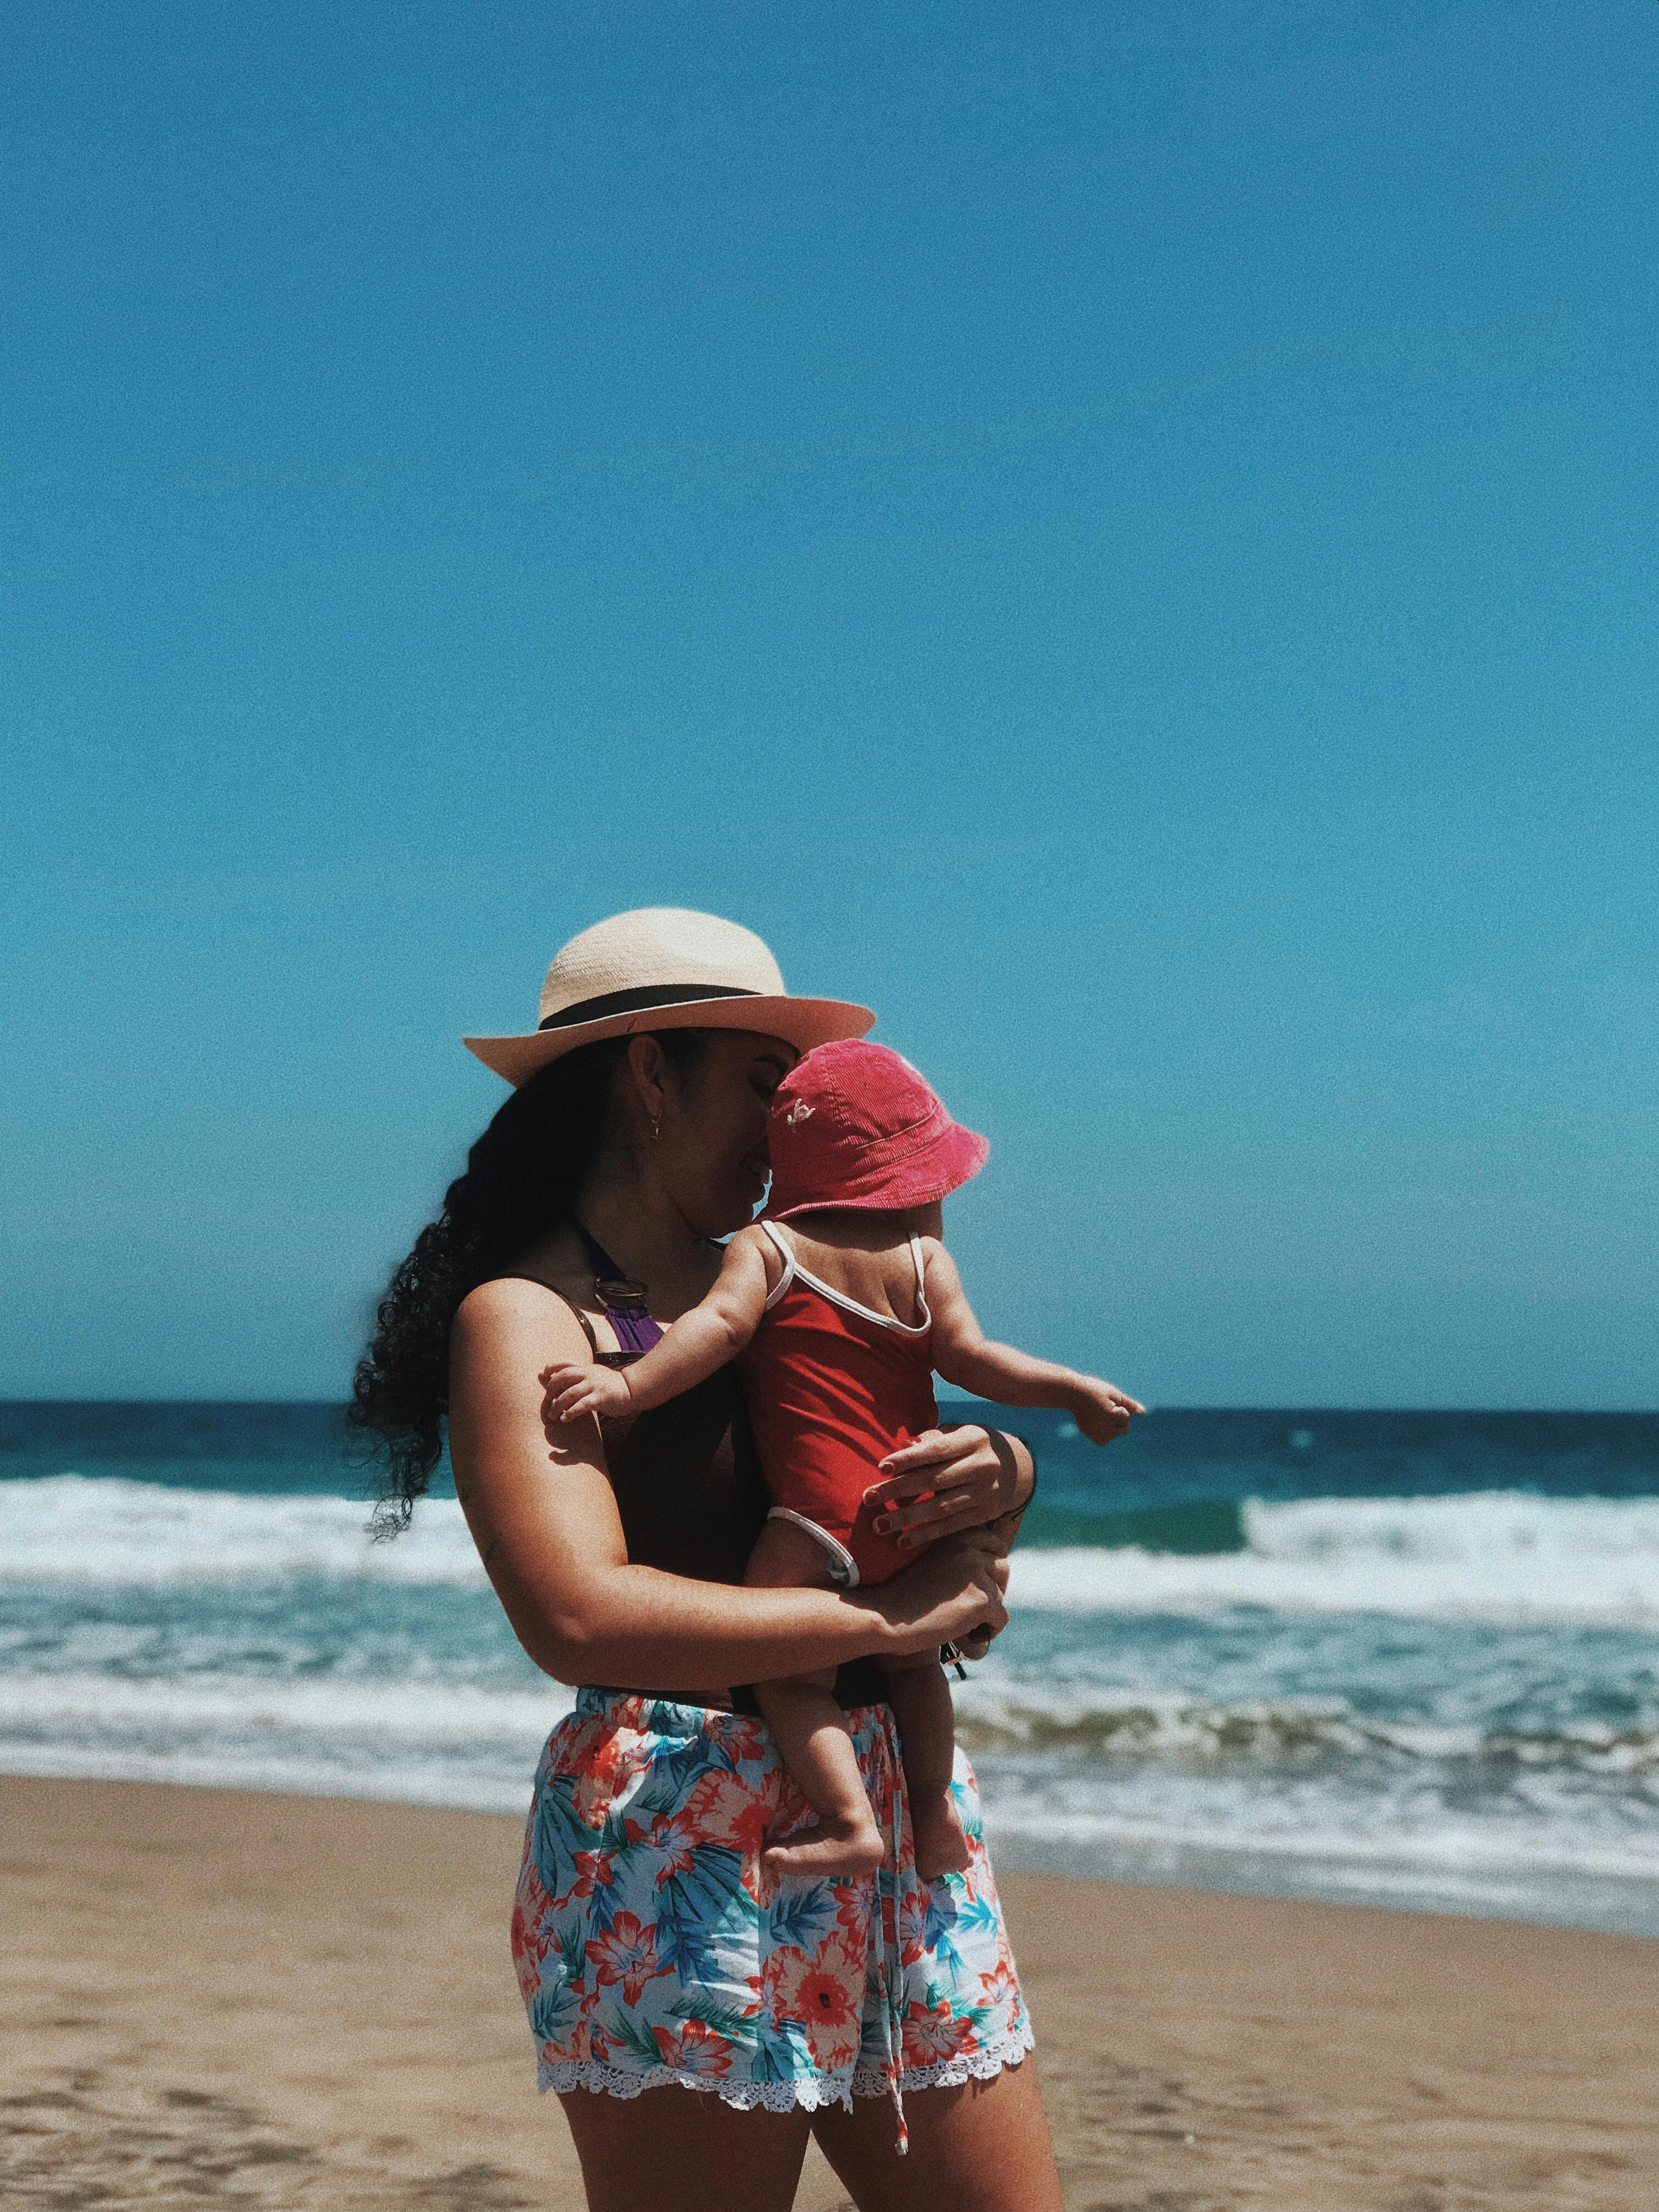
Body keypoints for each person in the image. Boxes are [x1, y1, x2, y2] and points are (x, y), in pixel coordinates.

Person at [349, 907, 1082, 2211]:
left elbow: (886, 1504)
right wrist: (888, 1628)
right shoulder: (529, 1314)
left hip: (896, 1817)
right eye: (763, 1083)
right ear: (648, 1071)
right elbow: (582, 1616)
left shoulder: (794, 1272)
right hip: (680, 1837)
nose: (792, 1122)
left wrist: (1000, 1478)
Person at [543, 1037, 1143, 1888]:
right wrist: (1071, 1392)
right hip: (910, 1509)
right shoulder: (925, 1263)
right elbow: (977, 1360)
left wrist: (630, 1387)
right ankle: (932, 1814)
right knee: (914, 1661)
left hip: (818, 1520)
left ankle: (849, 1821)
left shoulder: (769, 1247)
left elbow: (714, 1332)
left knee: (787, 1673)